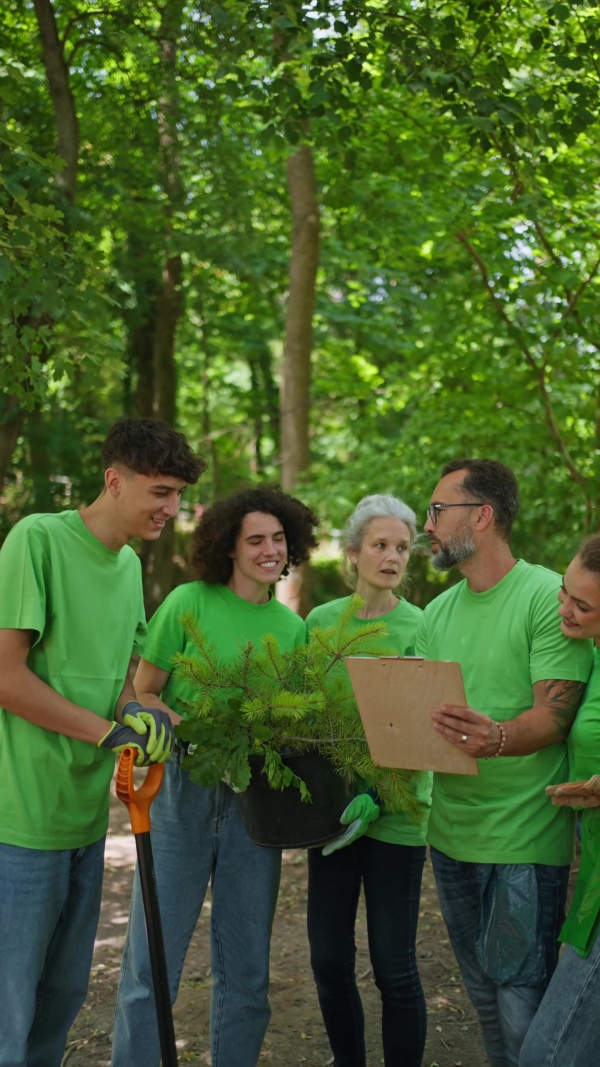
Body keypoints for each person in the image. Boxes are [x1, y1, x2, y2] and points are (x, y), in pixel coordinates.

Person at [0, 416, 205, 1067]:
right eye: (161, 492)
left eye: (177, 495)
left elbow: (117, 683)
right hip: (18, 821)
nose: (173, 509)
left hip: (85, 820)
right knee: (8, 1009)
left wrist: (142, 716)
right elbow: (6, 676)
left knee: (58, 1001)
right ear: (115, 481)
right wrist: (108, 730)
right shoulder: (37, 540)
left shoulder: (126, 568)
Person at [111, 485, 319, 1067]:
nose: (269, 549)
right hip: (182, 788)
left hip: (256, 800)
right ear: (229, 547)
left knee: (248, 967)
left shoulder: (292, 627)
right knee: (152, 960)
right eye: (255, 539)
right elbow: (144, 691)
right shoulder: (188, 603)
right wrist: (183, 725)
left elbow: (291, 721)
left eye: (278, 539)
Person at [414, 458, 594, 1067]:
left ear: (482, 516)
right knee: (485, 1003)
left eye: (438, 510)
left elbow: (555, 716)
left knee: (522, 1007)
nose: (428, 524)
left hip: (522, 838)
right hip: (450, 837)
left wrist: (493, 737)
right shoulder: (437, 613)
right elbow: (418, 719)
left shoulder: (547, 596)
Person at [305, 494, 430, 1067]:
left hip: (398, 817)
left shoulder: (418, 627)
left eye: (402, 547)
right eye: (380, 545)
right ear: (353, 554)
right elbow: (305, 720)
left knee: (393, 967)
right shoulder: (320, 623)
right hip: (332, 816)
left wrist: (377, 797)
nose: (392, 556)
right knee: (329, 960)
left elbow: (424, 730)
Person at [519, 535, 600, 1066]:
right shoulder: (590, 656)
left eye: (582, 604)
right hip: (592, 872)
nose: (564, 609)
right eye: (564, 593)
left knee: (547, 1055)